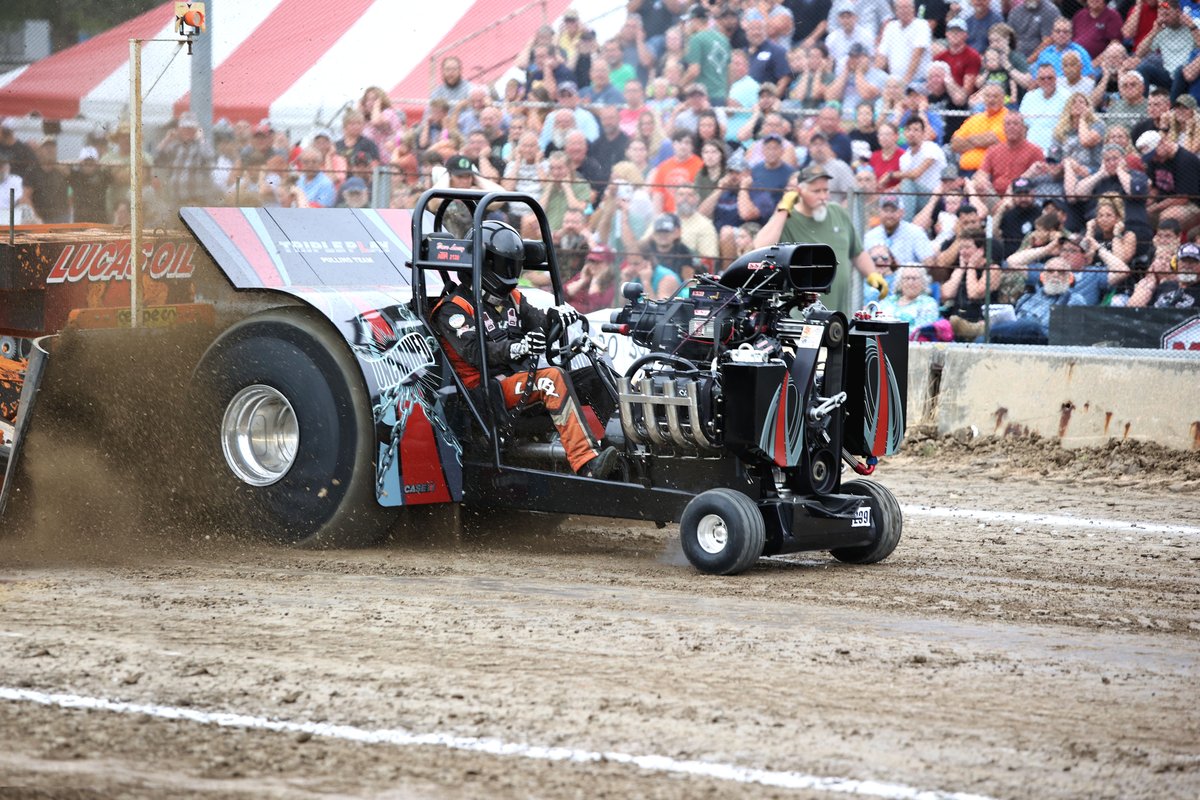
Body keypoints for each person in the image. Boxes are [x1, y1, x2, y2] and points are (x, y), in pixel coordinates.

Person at [432, 220, 619, 479]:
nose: (509, 271)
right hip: (487, 394)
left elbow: (538, 320)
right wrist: (518, 347)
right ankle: (587, 463)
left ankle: (627, 446)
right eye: (504, 265)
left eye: (513, 264)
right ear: (487, 264)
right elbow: (475, 352)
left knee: (594, 374)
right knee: (551, 379)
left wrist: (556, 316)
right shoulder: (454, 309)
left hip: (519, 383)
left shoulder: (512, 299)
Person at [752, 164, 879, 315]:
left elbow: (857, 252)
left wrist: (872, 274)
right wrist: (783, 208)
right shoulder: (787, 218)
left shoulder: (838, 212)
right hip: (801, 315)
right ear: (800, 191)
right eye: (816, 191)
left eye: (826, 190)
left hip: (838, 312)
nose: (823, 196)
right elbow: (760, 245)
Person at [984, 256, 1088, 343]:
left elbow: (1072, 334)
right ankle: (986, 331)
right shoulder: (1027, 297)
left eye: (1061, 272)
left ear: (1069, 277)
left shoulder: (1074, 299)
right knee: (982, 340)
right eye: (1050, 271)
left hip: (1045, 341)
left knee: (1030, 325)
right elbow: (1013, 320)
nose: (1055, 275)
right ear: (1043, 275)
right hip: (1015, 336)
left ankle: (983, 330)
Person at [1138, 129, 1200, 228]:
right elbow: (1155, 188)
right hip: (1165, 201)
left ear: (1162, 142)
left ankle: (1169, 242)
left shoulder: (1185, 160)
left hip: (1192, 204)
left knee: (1168, 217)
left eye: (1155, 154)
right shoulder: (1154, 160)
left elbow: (1182, 198)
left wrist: (1154, 208)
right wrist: (1146, 202)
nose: (1154, 158)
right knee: (1139, 213)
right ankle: (1147, 242)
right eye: (1151, 156)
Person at [951, 83, 1009, 174]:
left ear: (1003, 99)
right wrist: (981, 142)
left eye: (995, 96)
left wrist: (967, 140)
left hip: (989, 172)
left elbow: (993, 139)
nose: (991, 99)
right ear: (984, 99)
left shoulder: (1007, 117)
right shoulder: (975, 118)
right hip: (964, 170)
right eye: (988, 96)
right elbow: (954, 143)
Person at [863, 194, 934, 266]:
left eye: (893, 211)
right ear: (879, 212)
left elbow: (929, 262)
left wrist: (908, 269)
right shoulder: (870, 236)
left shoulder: (915, 232)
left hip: (904, 276)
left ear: (902, 212)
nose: (889, 215)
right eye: (885, 210)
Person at [876, 0, 932, 88]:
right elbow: (882, 56)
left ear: (913, 9)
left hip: (918, 82)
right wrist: (873, 76)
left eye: (906, 7)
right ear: (895, 11)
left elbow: (917, 55)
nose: (903, 10)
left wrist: (904, 84)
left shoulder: (922, 25)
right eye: (900, 8)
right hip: (894, 82)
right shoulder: (890, 27)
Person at [879, 266, 942, 332]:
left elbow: (922, 329)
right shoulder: (888, 301)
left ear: (923, 282)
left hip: (911, 341)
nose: (910, 283)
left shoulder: (928, 303)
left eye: (914, 278)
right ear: (900, 282)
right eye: (906, 278)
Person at [563, 244, 620, 313]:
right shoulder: (584, 276)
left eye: (598, 262)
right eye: (591, 261)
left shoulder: (612, 283)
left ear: (608, 265)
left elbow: (595, 308)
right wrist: (582, 281)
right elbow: (562, 294)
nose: (593, 265)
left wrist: (596, 280)